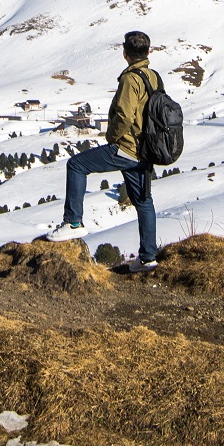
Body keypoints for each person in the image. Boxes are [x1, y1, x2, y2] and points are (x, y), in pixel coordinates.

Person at [47, 31, 160, 268]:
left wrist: (112, 137)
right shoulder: (154, 76)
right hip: (144, 150)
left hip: (126, 148)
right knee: (143, 201)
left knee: (76, 165)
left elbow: (125, 114)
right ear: (148, 52)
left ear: (125, 54)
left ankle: (73, 222)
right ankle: (148, 258)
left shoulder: (131, 78)